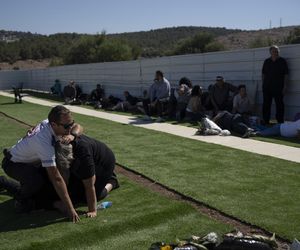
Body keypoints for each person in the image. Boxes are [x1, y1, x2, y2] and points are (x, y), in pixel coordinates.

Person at [1, 105, 82, 222]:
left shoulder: (50, 122)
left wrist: (72, 135)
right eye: (66, 126)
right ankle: (17, 196)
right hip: (13, 164)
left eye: (71, 123)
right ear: (54, 125)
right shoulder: (43, 142)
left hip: (28, 160)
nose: (70, 127)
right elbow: (56, 178)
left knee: (41, 183)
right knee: (35, 183)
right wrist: (70, 208)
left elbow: (78, 126)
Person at [262, 45, 289, 124]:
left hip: (278, 87)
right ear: (270, 52)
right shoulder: (267, 61)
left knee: (279, 104)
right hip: (267, 86)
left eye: (277, 51)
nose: (276, 53)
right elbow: (263, 74)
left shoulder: (282, 61)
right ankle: (266, 121)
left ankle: (280, 121)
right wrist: (263, 84)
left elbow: (286, 74)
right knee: (266, 104)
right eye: (274, 51)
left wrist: (285, 86)